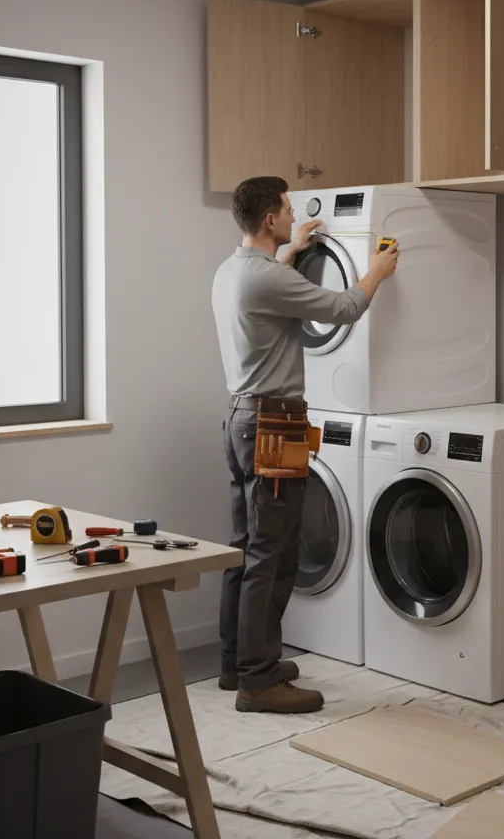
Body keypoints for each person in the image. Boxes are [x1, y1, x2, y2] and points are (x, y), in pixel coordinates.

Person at [211, 176, 399, 713]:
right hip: (275, 425)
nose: (295, 216)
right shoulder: (266, 279)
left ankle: (238, 662)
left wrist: (292, 253)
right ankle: (260, 681)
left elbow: (269, 288)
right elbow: (343, 308)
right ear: (269, 219)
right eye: (288, 211)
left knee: (245, 548)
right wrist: (377, 273)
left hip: (240, 419)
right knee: (273, 552)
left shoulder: (231, 271)